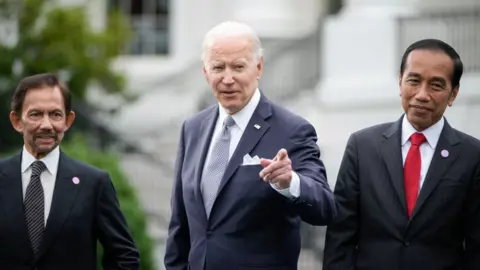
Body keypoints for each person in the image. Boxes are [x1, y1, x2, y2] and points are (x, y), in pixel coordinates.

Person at [164, 21, 336, 270]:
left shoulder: (292, 130)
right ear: (205, 71)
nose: (227, 78)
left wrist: (291, 183)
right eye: (218, 67)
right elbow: (180, 224)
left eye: (238, 67)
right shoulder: (192, 129)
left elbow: (324, 208)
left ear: (258, 67)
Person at [323, 39, 480, 270]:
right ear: (400, 82)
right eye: (414, 81)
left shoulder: (472, 156)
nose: (422, 94)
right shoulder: (362, 146)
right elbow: (340, 237)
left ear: (453, 94)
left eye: (436, 85)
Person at [0, 73, 140, 269]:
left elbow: (124, 257)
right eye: (36, 114)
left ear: (68, 120)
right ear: (17, 121)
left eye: (55, 114)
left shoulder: (93, 184)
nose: (46, 125)